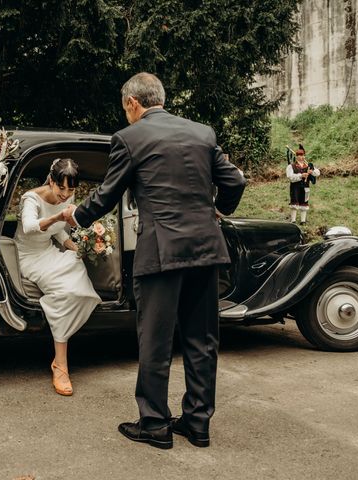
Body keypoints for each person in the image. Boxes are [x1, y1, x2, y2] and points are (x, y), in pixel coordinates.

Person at [63, 72, 246, 449]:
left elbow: (107, 195)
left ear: (133, 103)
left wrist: (77, 217)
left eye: (124, 107)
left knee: (156, 340)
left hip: (161, 253)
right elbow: (235, 182)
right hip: (206, 250)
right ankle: (197, 423)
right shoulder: (203, 133)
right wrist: (217, 211)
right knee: (202, 339)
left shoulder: (129, 138)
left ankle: (155, 425)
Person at [14, 158, 101, 396]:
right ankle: (60, 364)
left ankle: (63, 324)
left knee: (77, 269)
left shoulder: (66, 198)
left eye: (71, 190)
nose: (65, 194)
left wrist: (78, 247)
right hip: (29, 257)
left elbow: (59, 232)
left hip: (48, 251)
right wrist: (58, 217)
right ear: (51, 181)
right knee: (66, 293)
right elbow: (30, 226)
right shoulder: (30, 198)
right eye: (61, 187)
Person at [287, 144, 320, 224]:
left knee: (304, 203)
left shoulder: (308, 165)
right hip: (295, 187)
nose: (302, 157)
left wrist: (311, 171)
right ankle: (293, 220)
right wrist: (301, 175)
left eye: (303, 155)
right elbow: (290, 177)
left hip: (306, 187)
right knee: (294, 202)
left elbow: (318, 173)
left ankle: (303, 221)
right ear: (297, 156)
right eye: (300, 156)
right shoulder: (291, 166)